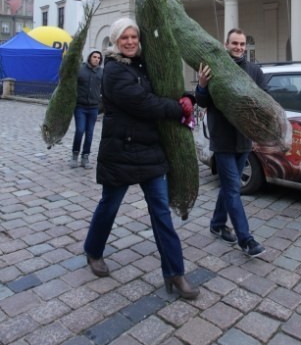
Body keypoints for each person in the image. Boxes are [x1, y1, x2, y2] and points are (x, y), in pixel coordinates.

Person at [83, 17, 199, 300]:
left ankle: (175, 272)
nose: (131, 41)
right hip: (120, 152)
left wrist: (185, 96)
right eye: (125, 37)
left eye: (134, 36)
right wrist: (177, 109)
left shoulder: (144, 64)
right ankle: (93, 250)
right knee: (109, 206)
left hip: (149, 151)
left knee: (161, 213)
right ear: (115, 41)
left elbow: (161, 88)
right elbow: (143, 103)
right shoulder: (112, 71)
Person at [195, 28, 266, 258]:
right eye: (234, 43)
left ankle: (217, 223)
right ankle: (246, 240)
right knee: (233, 188)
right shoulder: (215, 68)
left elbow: (264, 99)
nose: (238, 47)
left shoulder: (254, 70)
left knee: (229, 186)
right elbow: (202, 101)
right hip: (223, 138)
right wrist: (202, 85)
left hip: (243, 139)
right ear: (226, 45)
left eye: (242, 44)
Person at [71, 49, 103, 169]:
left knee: (89, 133)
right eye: (94, 57)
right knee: (80, 130)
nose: (97, 59)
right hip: (80, 106)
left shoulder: (101, 72)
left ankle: (85, 157)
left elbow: (105, 87)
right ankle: (75, 155)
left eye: (99, 58)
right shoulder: (80, 69)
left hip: (94, 107)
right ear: (90, 57)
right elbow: (72, 85)